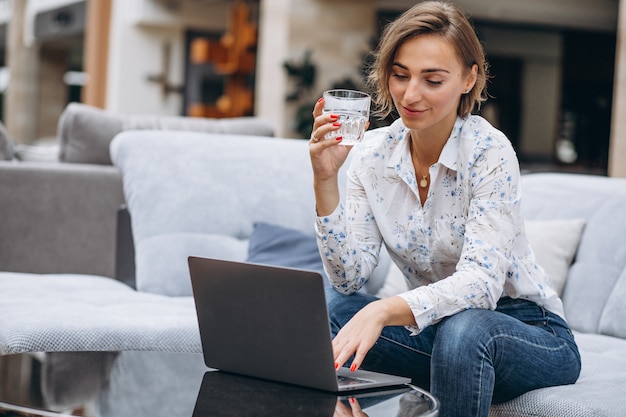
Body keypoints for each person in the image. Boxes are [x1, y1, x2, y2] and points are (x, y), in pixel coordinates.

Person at [308, 2, 581, 416]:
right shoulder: (371, 155)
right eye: (400, 76)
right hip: (439, 330)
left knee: (464, 331)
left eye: (432, 80)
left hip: (529, 330)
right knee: (335, 309)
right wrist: (325, 180)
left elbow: (480, 286)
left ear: (469, 78)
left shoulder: (489, 152)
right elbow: (350, 278)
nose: (410, 94)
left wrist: (384, 310)